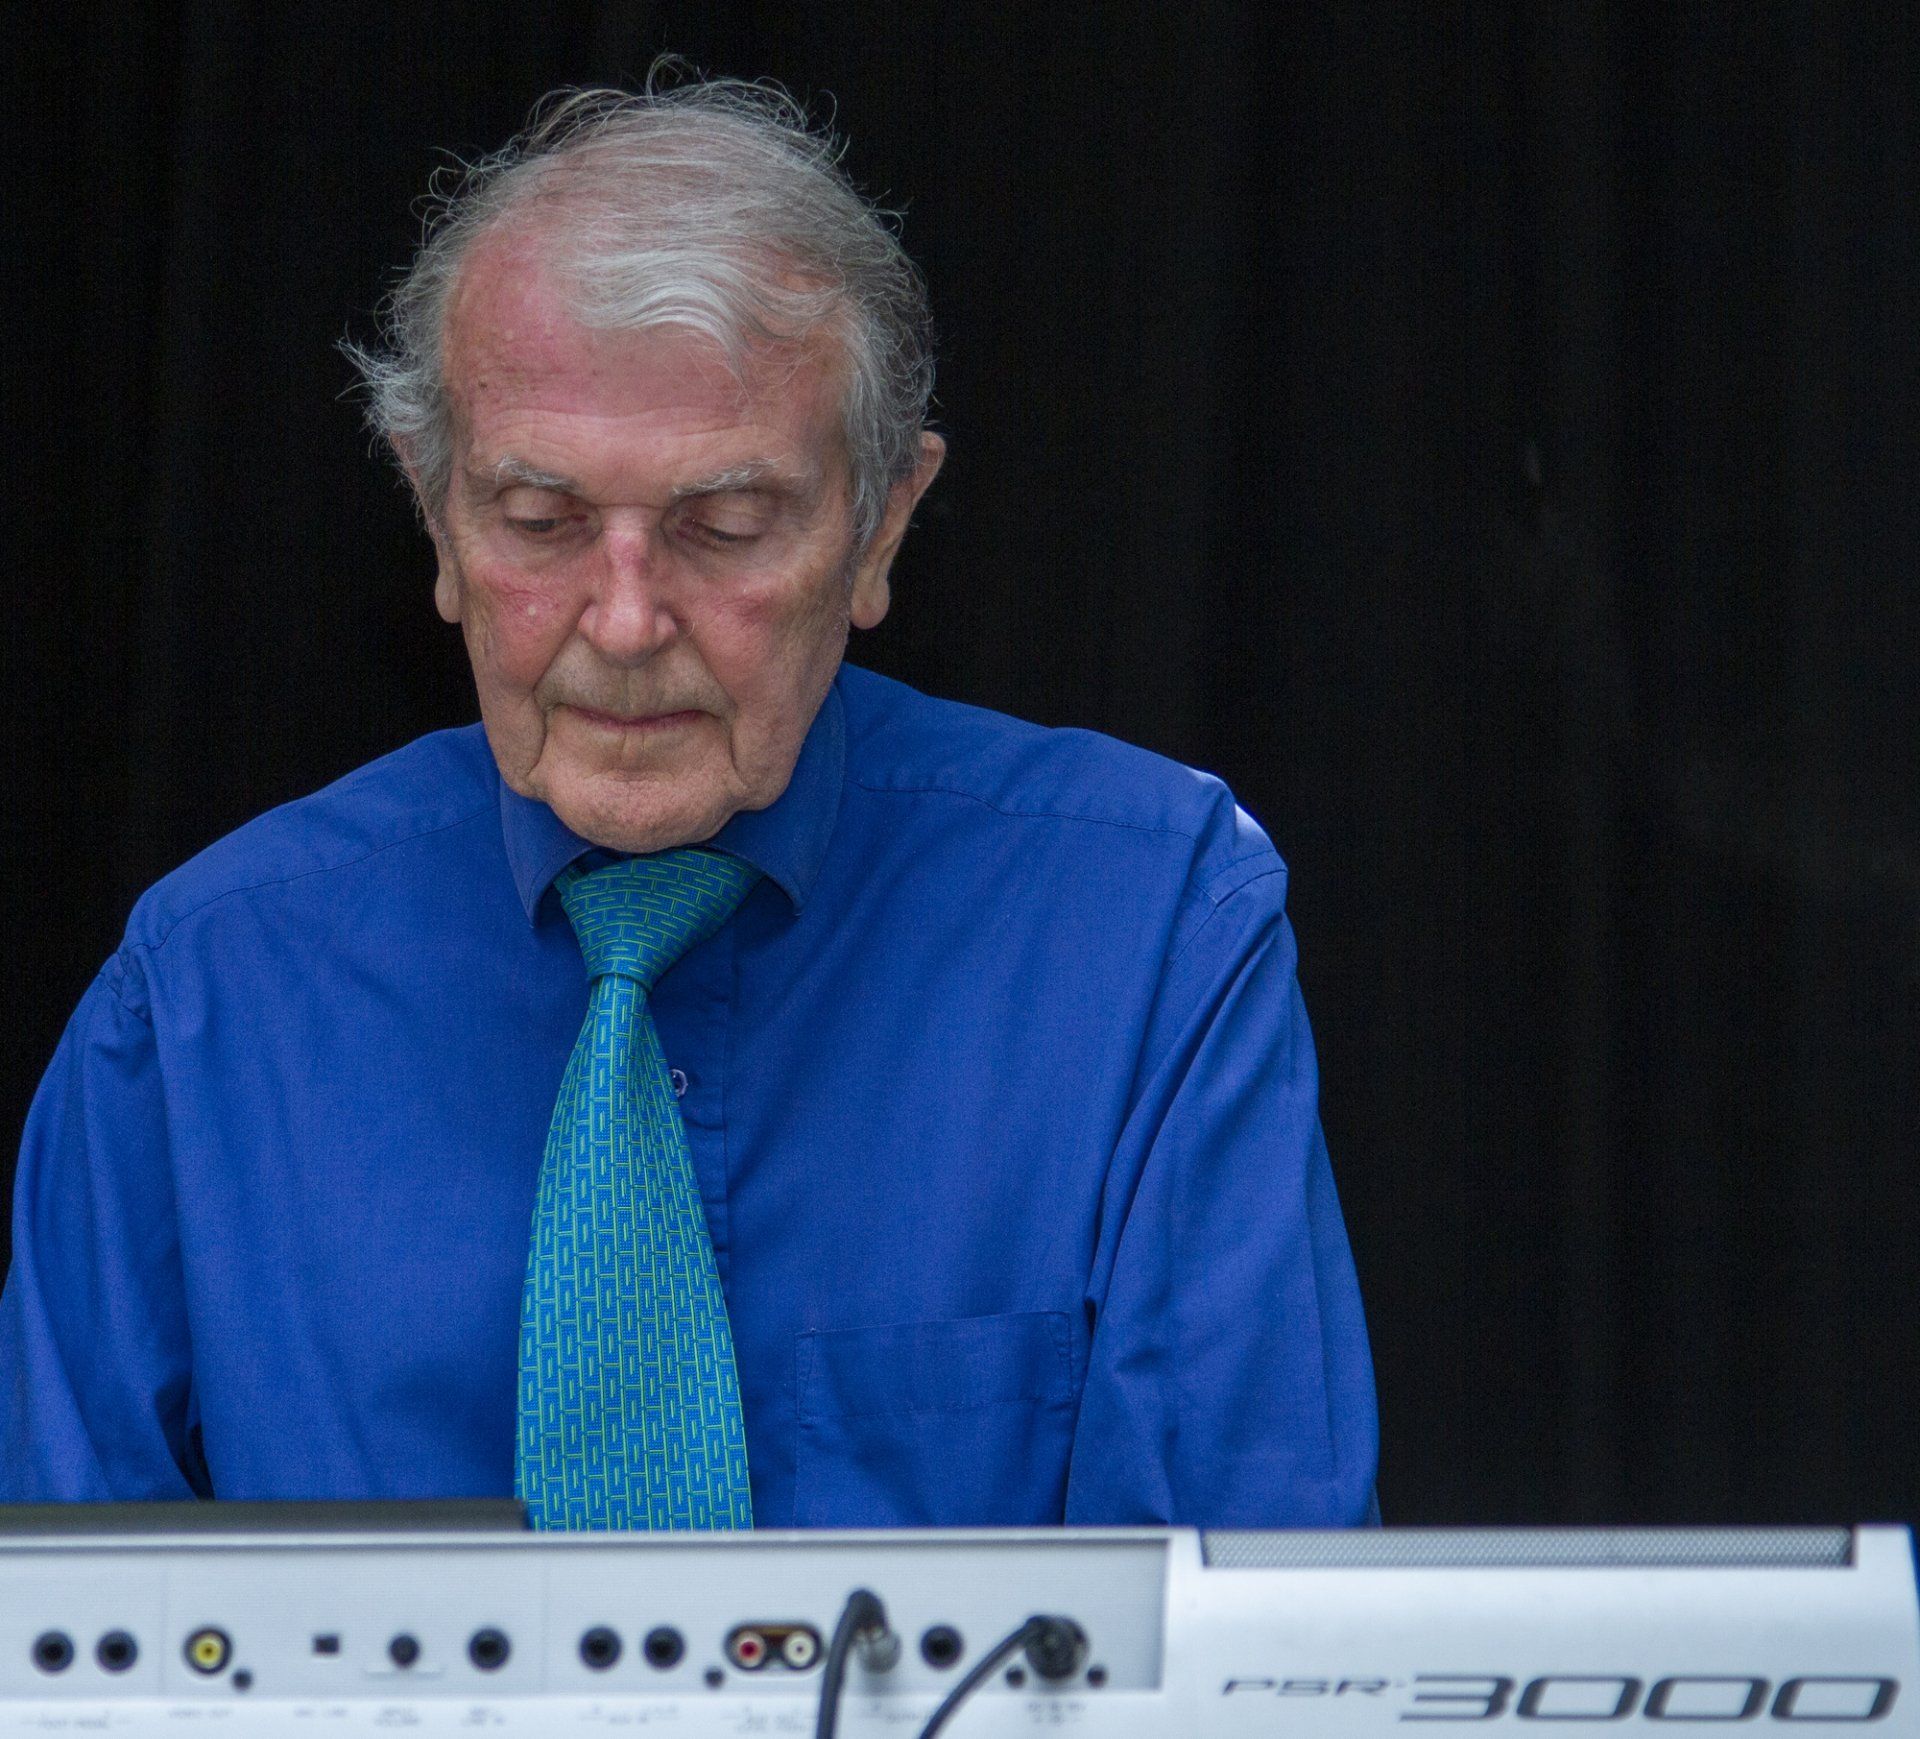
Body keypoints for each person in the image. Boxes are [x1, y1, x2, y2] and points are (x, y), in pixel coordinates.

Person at [0, 80, 1377, 1528]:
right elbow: (55, 1639)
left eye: (725, 529)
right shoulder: (205, 995)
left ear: (880, 523)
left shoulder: (1147, 926)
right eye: (538, 522)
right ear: (434, 513)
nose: (627, 618)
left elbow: (1246, 1633)